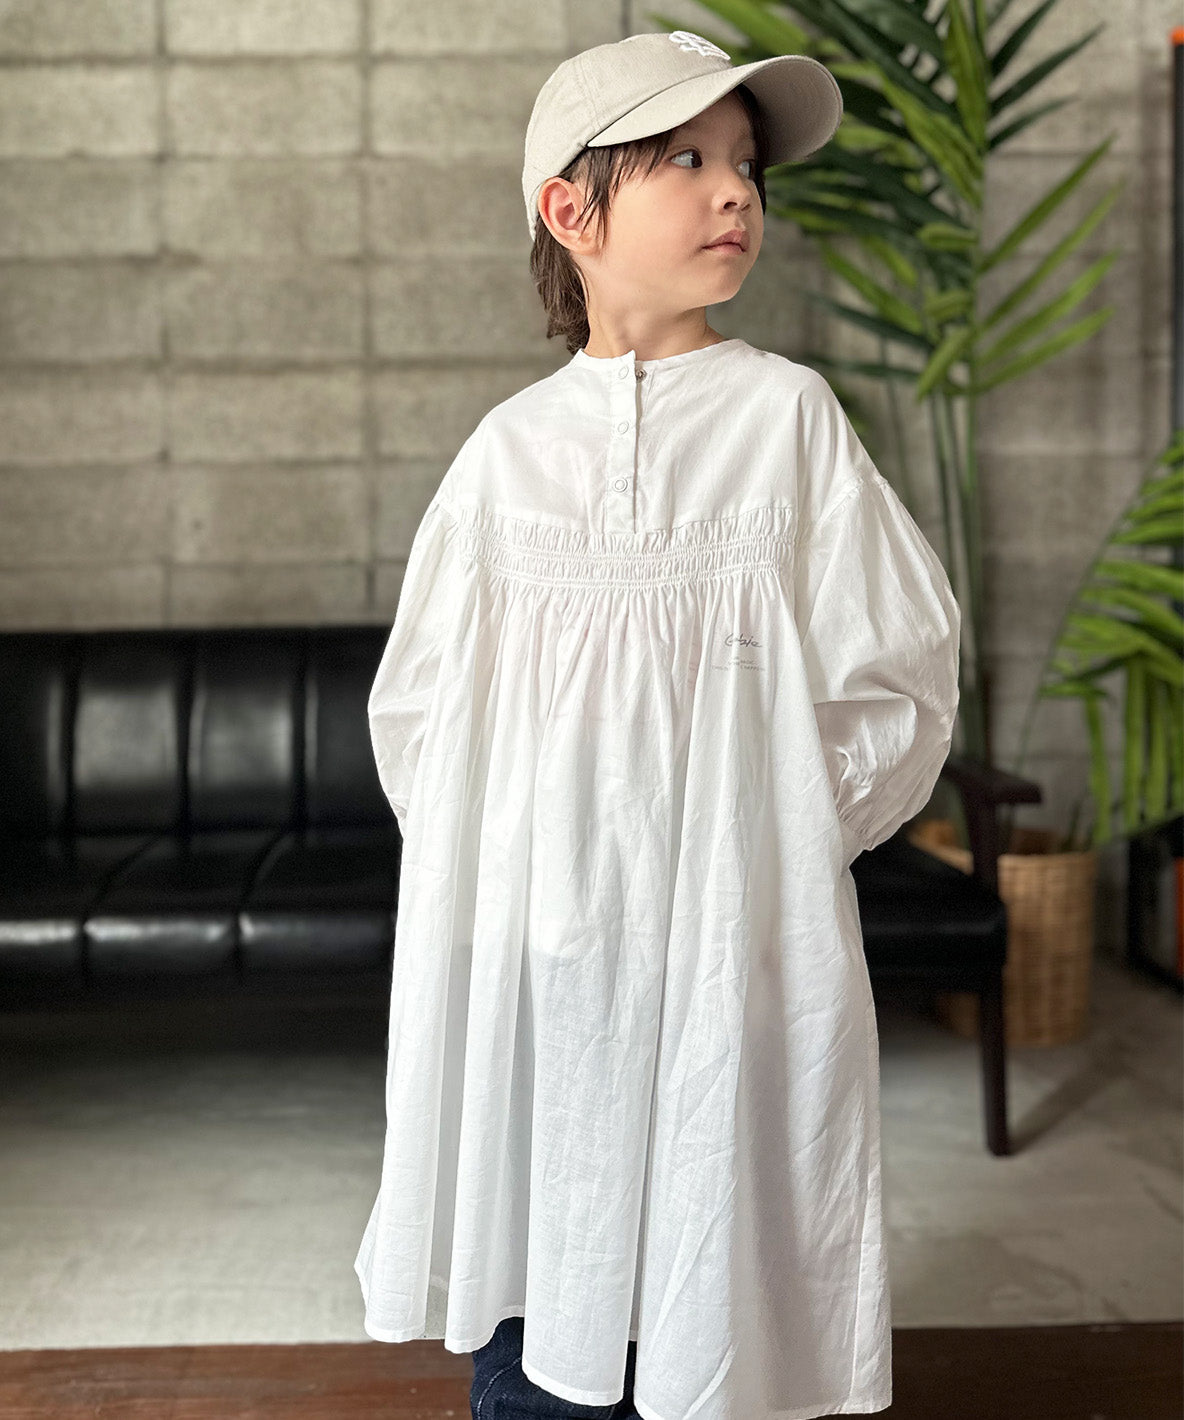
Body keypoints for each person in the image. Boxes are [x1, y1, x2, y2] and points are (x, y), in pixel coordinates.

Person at [354, 29, 962, 1420]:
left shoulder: (788, 423)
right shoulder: (507, 459)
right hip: (547, 963)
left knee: (722, 1232)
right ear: (571, 211)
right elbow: (423, 716)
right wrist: (521, 870)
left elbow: (902, 674)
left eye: (746, 164)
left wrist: (770, 830)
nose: (735, 189)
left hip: (740, 958)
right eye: (686, 158)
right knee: (546, 1244)